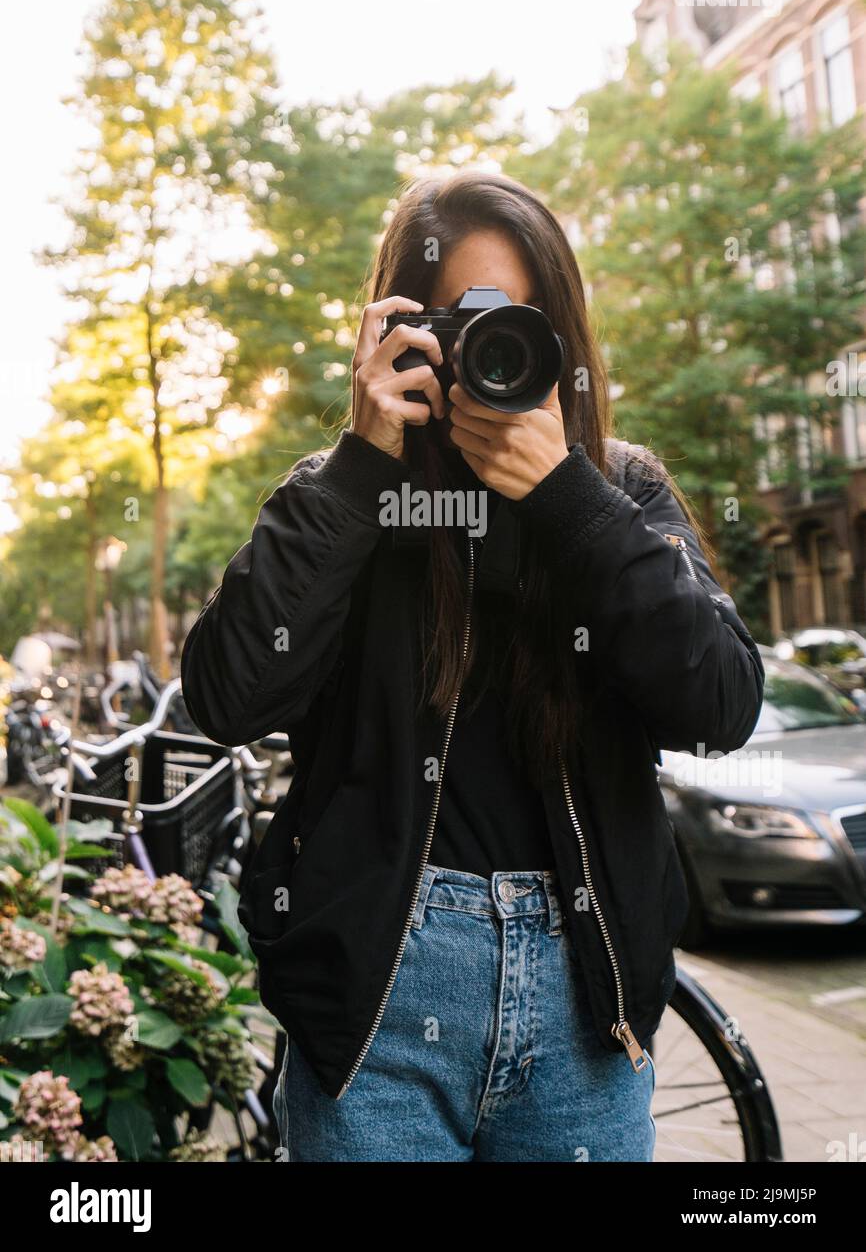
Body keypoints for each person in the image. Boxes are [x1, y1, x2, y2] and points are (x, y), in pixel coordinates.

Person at [181, 169, 764, 1162]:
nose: (492, 348)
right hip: (380, 1004)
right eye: (459, 322)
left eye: (520, 324)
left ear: (561, 341)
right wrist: (362, 468)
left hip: (585, 1005)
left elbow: (716, 700)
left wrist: (566, 501)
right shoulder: (345, 494)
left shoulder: (618, 488)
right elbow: (228, 694)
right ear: (397, 332)